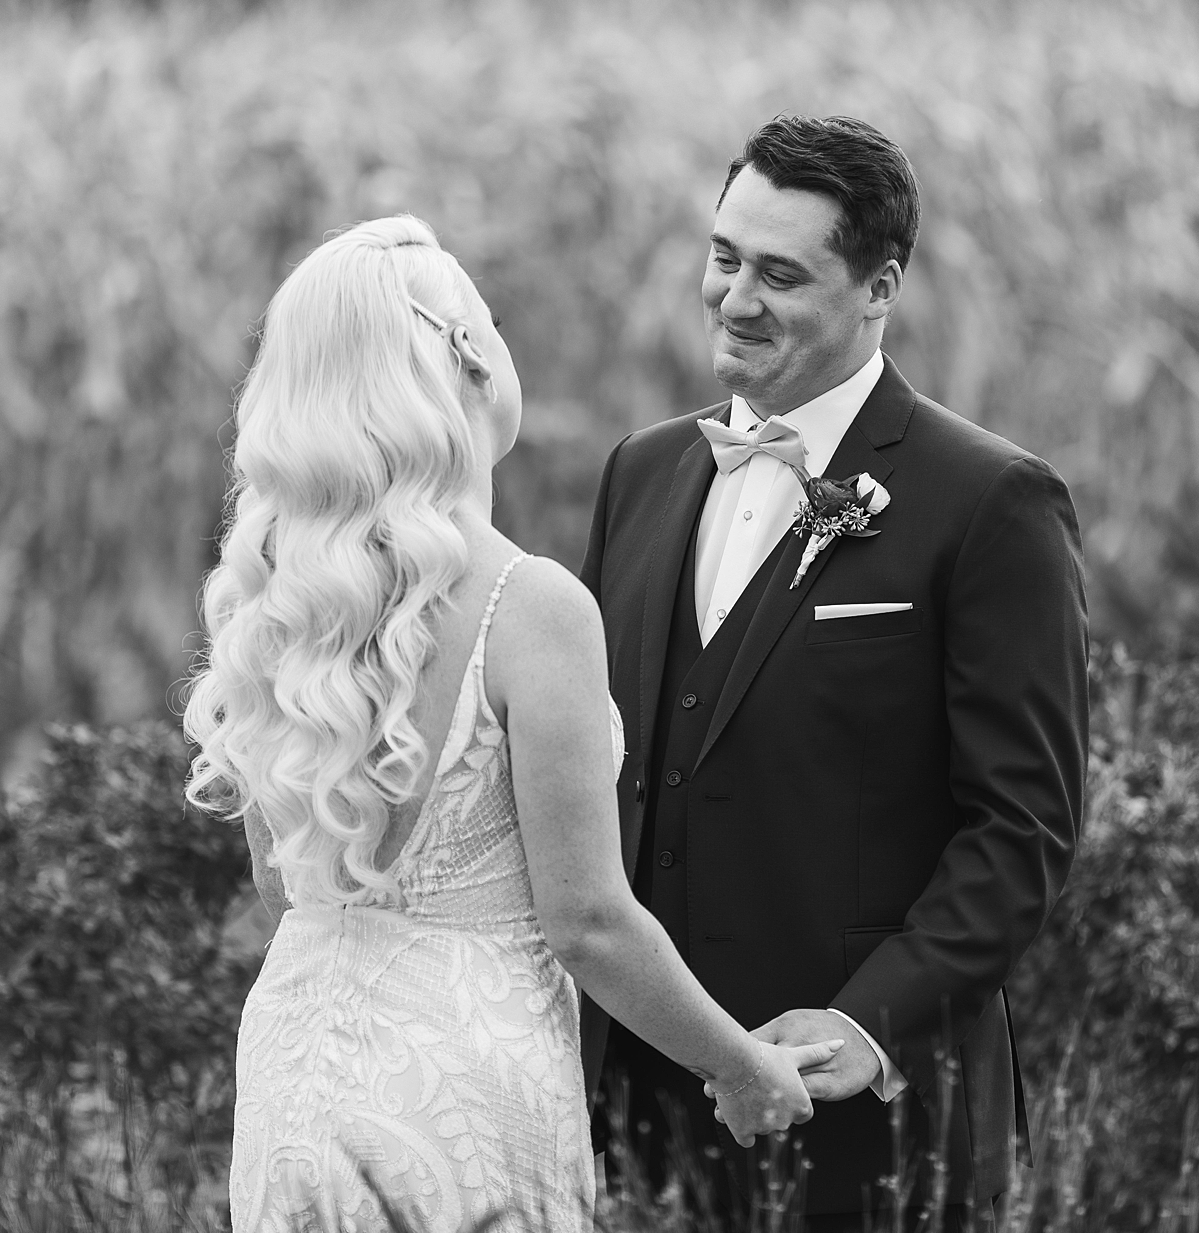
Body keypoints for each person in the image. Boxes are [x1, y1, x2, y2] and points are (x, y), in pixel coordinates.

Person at [183, 215, 841, 1233]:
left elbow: (284, 886)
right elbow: (586, 921)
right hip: (466, 1071)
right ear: (468, 361)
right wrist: (741, 1064)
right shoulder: (528, 606)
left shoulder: (275, 600)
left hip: (294, 1063)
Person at [578, 116, 1089, 1231]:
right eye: (723, 257)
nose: (732, 298)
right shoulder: (640, 473)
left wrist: (861, 1027)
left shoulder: (990, 502)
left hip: (866, 1124)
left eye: (780, 273)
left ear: (878, 287)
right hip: (630, 1114)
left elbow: (1022, 829)